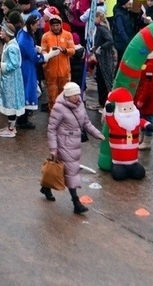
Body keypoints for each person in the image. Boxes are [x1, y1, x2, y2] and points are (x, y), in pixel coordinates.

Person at [42, 82, 105, 213]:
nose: (77, 97)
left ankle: (46, 187)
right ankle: (76, 203)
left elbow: (86, 122)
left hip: (75, 144)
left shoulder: (80, 104)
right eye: (74, 95)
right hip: (63, 144)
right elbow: (51, 129)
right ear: (67, 95)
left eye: (78, 94)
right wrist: (53, 148)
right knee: (72, 171)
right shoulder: (59, 108)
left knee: (62, 170)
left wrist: (97, 134)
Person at [0, 21, 25, 137]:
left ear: (7, 33)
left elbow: (14, 64)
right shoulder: (8, 44)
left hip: (11, 80)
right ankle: (10, 126)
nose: (0, 32)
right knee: (9, 101)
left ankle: (11, 129)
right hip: (8, 78)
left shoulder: (12, 47)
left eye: (2, 31)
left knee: (11, 103)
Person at [16, 14, 48, 130]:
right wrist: (46, 56)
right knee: (27, 91)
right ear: (31, 25)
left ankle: (22, 118)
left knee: (25, 90)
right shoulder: (25, 38)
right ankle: (22, 120)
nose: (38, 27)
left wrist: (37, 48)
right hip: (27, 67)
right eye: (37, 25)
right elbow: (34, 57)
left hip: (25, 65)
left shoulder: (23, 33)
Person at [40, 11, 75, 111]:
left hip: (64, 71)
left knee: (65, 96)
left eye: (57, 25)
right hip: (51, 72)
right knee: (52, 97)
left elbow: (72, 50)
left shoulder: (68, 35)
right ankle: (53, 116)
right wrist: (50, 53)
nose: (56, 27)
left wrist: (65, 50)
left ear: (61, 25)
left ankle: (64, 116)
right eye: (53, 25)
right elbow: (43, 51)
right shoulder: (45, 36)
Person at [134, 50, 153, 150]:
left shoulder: (150, 67)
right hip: (147, 97)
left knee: (147, 118)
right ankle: (144, 138)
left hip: (146, 98)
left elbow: (147, 85)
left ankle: (147, 141)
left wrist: (141, 99)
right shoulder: (152, 63)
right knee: (144, 117)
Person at [91, 10, 116, 109]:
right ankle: (102, 103)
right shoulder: (101, 28)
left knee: (103, 81)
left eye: (95, 17)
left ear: (99, 18)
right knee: (102, 80)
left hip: (104, 59)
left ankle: (103, 103)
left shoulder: (102, 29)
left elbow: (110, 40)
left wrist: (101, 47)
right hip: (103, 58)